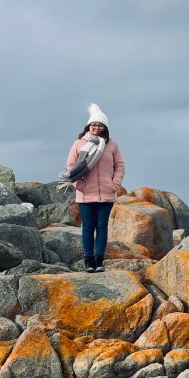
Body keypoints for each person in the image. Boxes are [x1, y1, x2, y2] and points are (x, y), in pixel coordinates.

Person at [66, 104, 125, 272]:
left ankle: (99, 260)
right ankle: (88, 260)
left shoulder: (111, 145)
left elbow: (120, 166)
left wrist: (115, 184)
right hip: (85, 194)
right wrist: (80, 185)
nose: (96, 127)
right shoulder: (79, 144)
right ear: (88, 126)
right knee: (87, 227)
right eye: (94, 124)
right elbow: (70, 167)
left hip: (107, 193)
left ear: (105, 127)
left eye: (100, 125)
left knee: (101, 227)